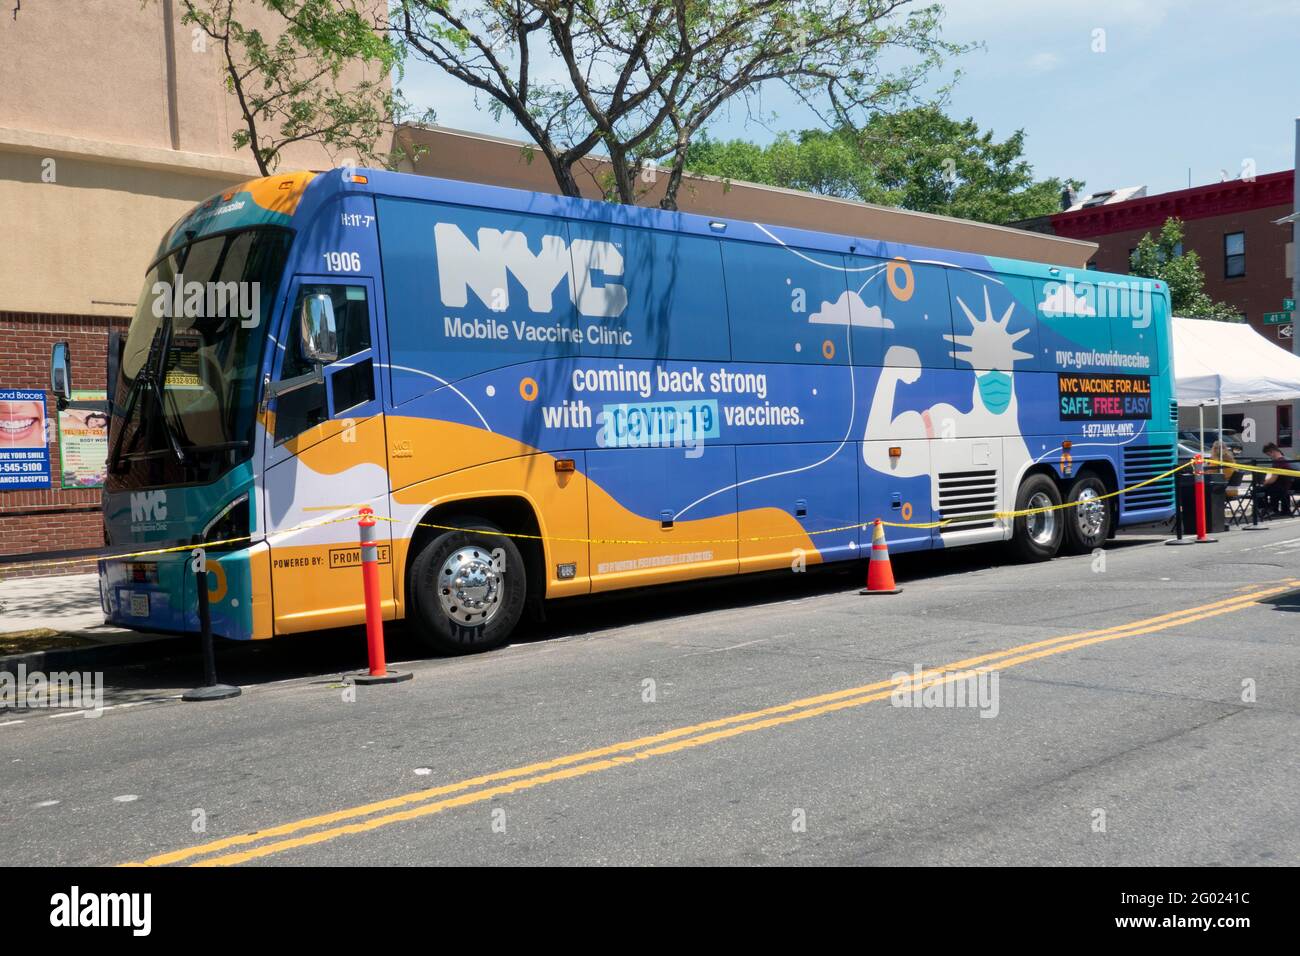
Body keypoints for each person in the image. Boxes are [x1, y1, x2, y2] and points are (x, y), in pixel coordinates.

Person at [1254, 443, 1298, 516]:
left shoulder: (1278, 462)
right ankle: (1273, 509)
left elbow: (1272, 479)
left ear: (1272, 452)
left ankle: (1266, 508)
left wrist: (1263, 483)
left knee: (1257, 490)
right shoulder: (1285, 460)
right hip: (1285, 486)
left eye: (1269, 454)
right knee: (1264, 488)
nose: (1269, 457)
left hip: (1279, 487)